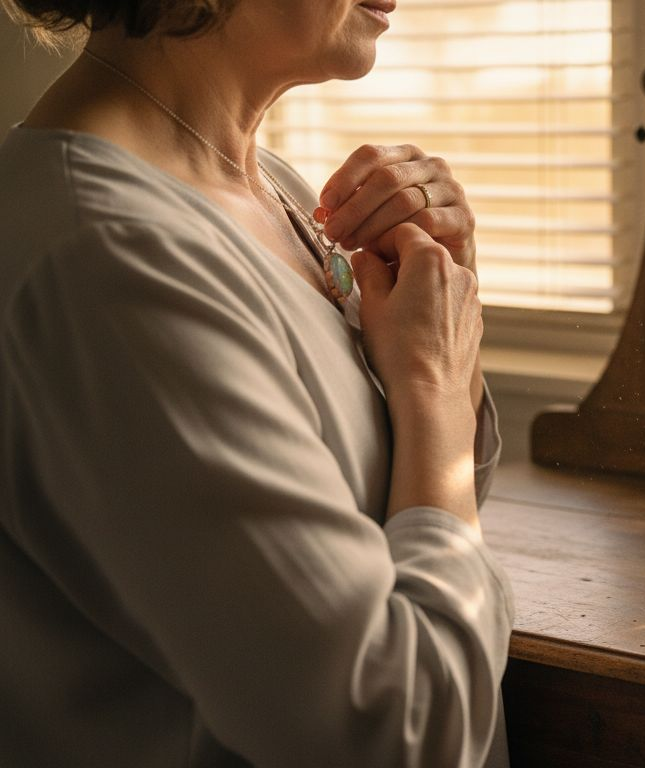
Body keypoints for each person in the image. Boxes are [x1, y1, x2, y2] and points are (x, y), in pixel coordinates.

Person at [0, 2, 513, 766]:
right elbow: (394, 730)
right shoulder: (108, 259)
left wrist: (443, 299)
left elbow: (421, 500)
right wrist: (433, 387)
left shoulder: (270, 189)